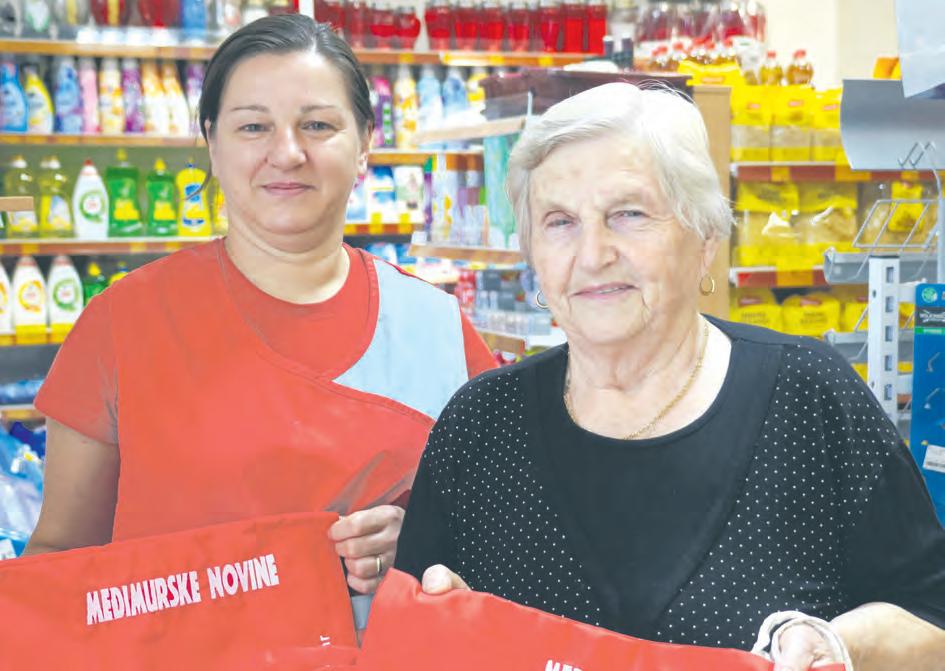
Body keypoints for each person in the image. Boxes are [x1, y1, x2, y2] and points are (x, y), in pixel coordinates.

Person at [394, 83, 945, 670]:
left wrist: (838, 643)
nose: (593, 254)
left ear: (705, 239)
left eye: (628, 214)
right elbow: (411, 629)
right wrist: (448, 633)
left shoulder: (807, 398)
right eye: (559, 222)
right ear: (532, 253)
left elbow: (931, 616)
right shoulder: (481, 424)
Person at [25, 15, 495, 601]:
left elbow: (510, 549)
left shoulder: (439, 330)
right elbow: (59, 561)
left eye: (317, 125)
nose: (287, 153)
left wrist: (424, 546)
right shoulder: (124, 322)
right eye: (253, 126)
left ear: (364, 144)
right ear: (212, 145)